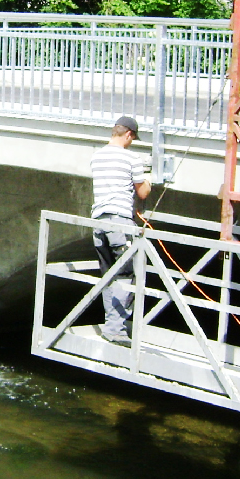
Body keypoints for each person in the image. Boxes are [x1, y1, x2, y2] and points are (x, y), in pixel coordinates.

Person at [91, 115, 151, 342]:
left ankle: (111, 324)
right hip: (120, 222)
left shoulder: (96, 157)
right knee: (126, 273)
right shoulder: (131, 159)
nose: (132, 142)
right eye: (133, 138)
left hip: (98, 221)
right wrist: (149, 179)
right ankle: (115, 329)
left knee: (108, 274)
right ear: (128, 134)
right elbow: (142, 192)